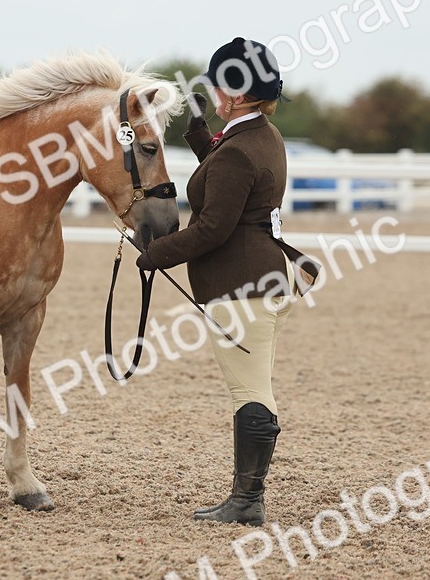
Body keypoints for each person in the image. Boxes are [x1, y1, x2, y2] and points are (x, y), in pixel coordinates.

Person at [137, 37, 309, 526]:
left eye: (217, 83)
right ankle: (246, 497)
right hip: (268, 277)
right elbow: (231, 172)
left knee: (251, 393)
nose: (210, 89)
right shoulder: (262, 135)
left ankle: (247, 501)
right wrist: (198, 137)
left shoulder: (238, 150)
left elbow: (213, 227)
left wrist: (155, 255)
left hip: (242, 287)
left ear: (234, 93)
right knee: (256, 387)